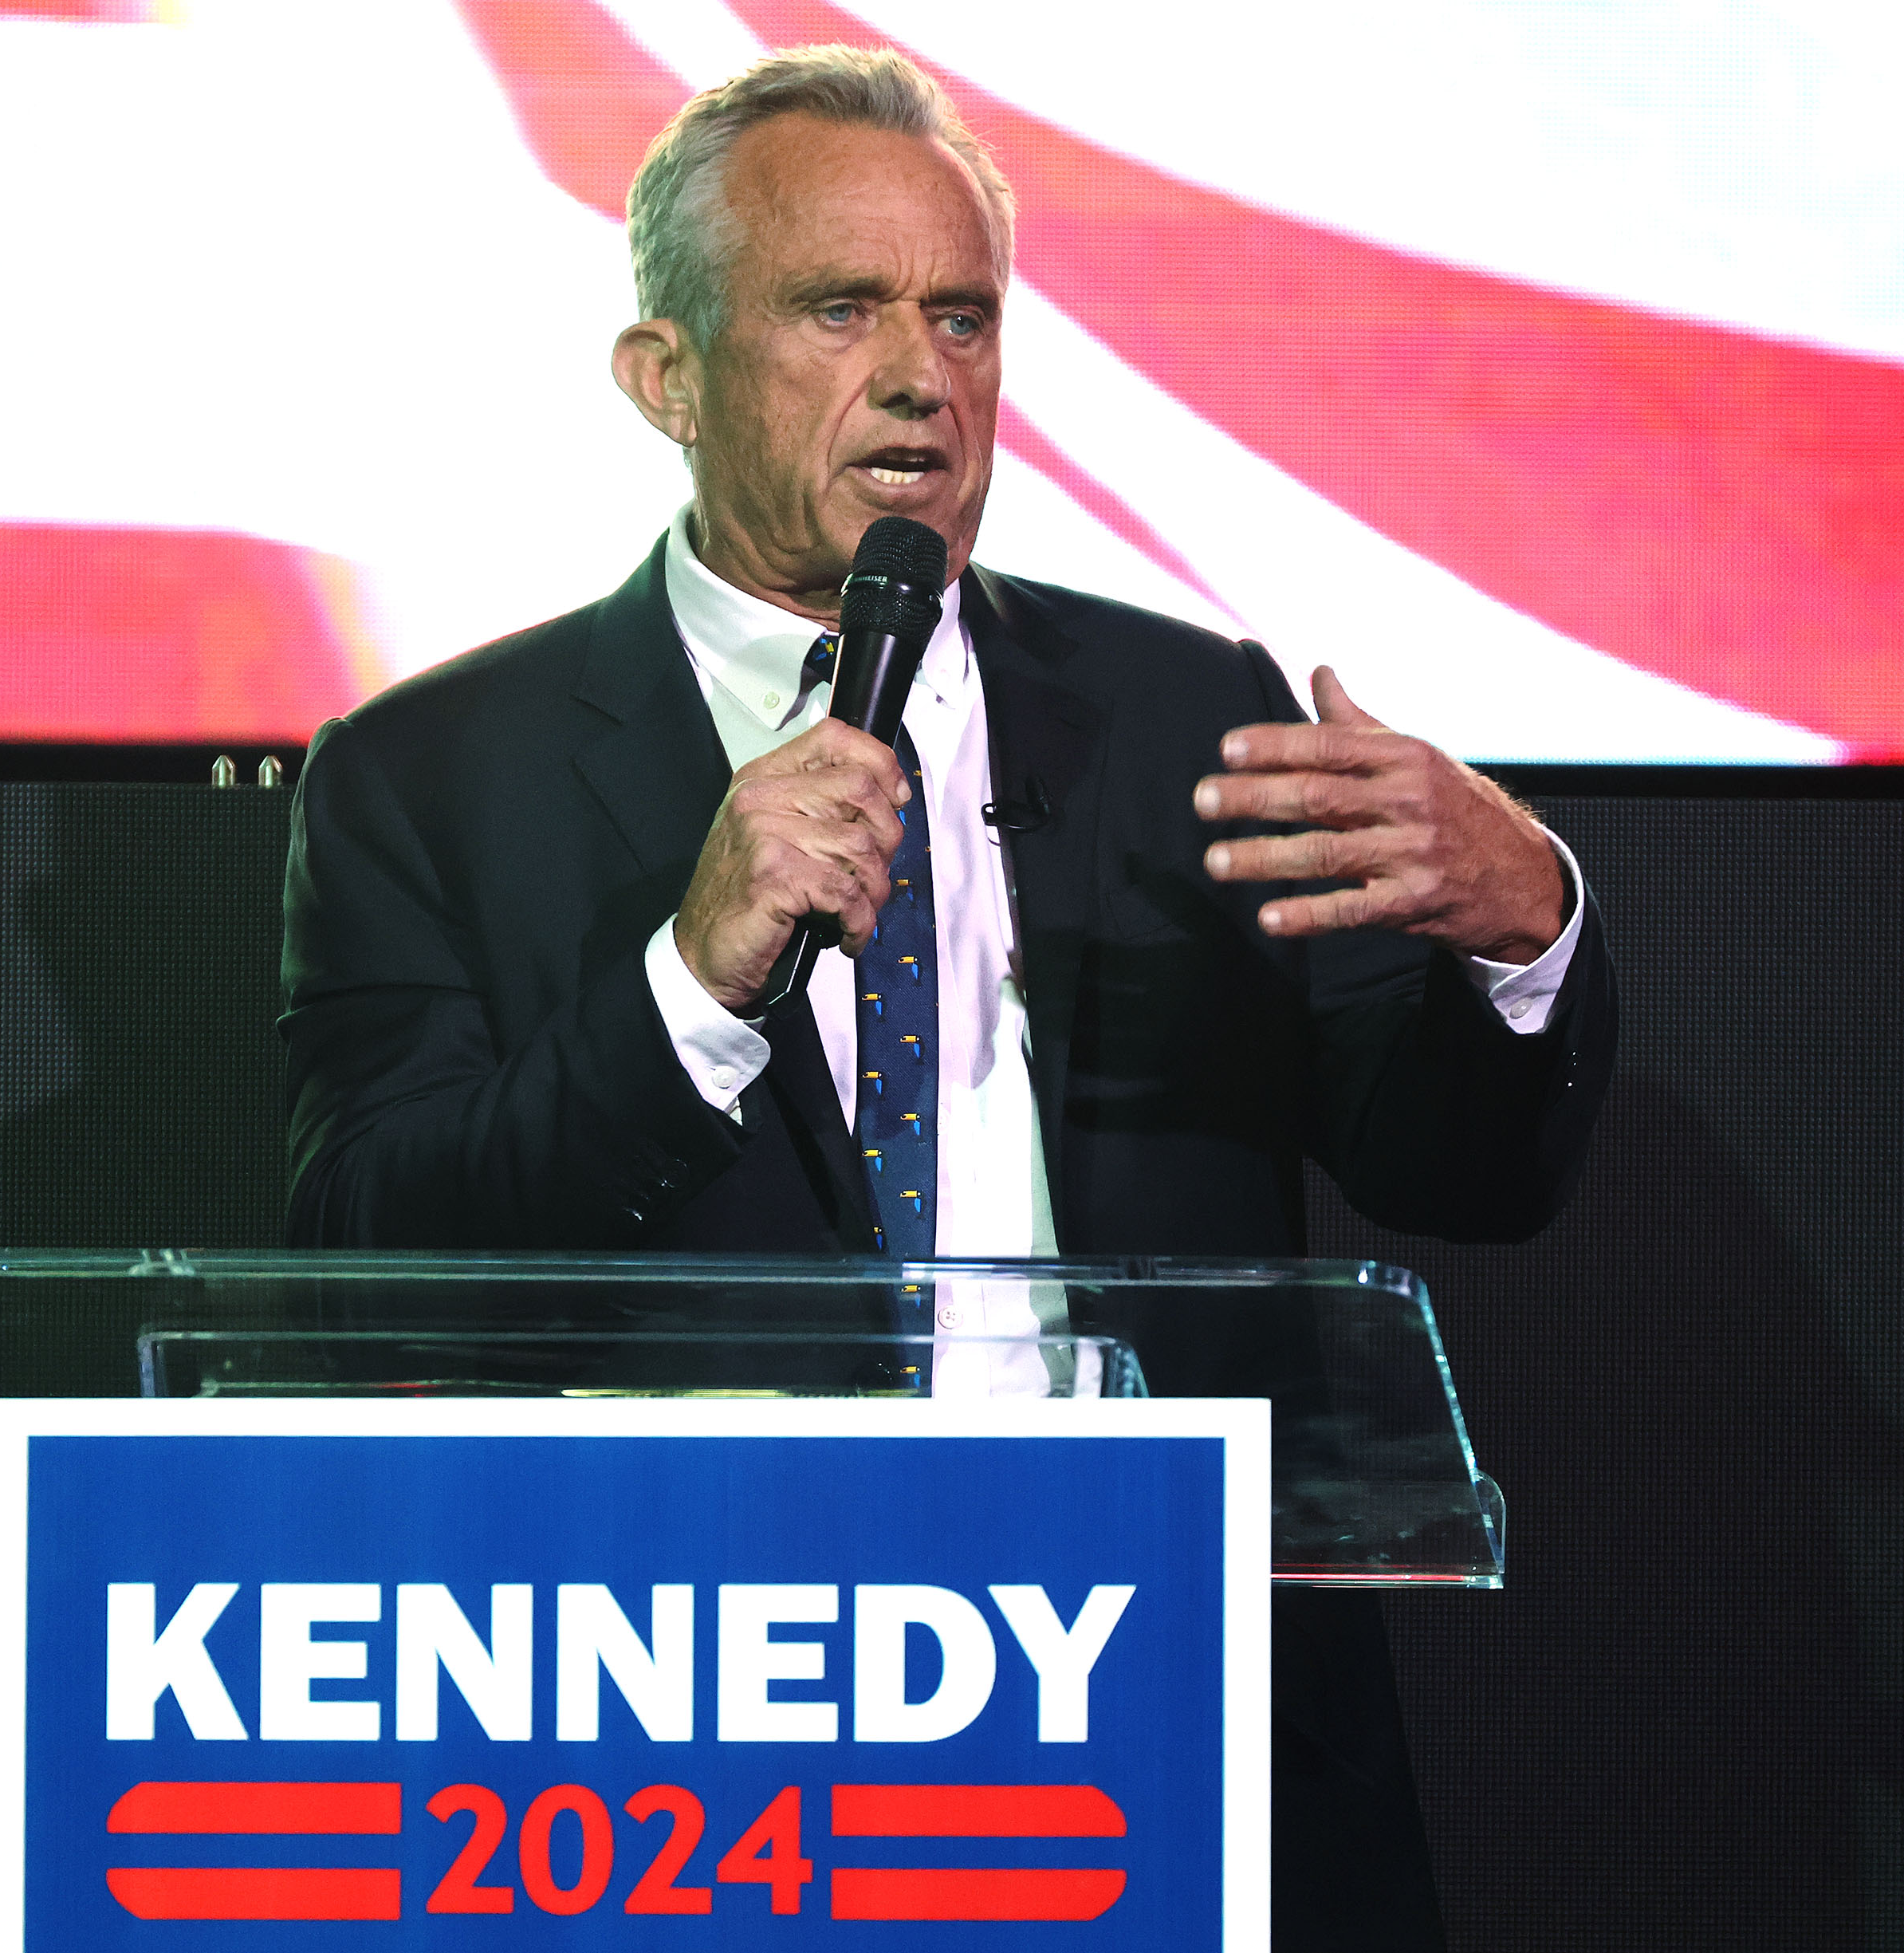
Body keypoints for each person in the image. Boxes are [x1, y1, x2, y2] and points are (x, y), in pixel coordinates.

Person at [281, 46, 1615, 1950]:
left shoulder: (1180, 715)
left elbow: (1459, 1171)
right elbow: (358, 1273)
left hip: (1163, 1708)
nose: (923, 375)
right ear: (666, 378)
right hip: (676, 1743)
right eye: (843, 309)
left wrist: (1521, 929)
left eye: (963, 316)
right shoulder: (429, 777)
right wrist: (691, 982)